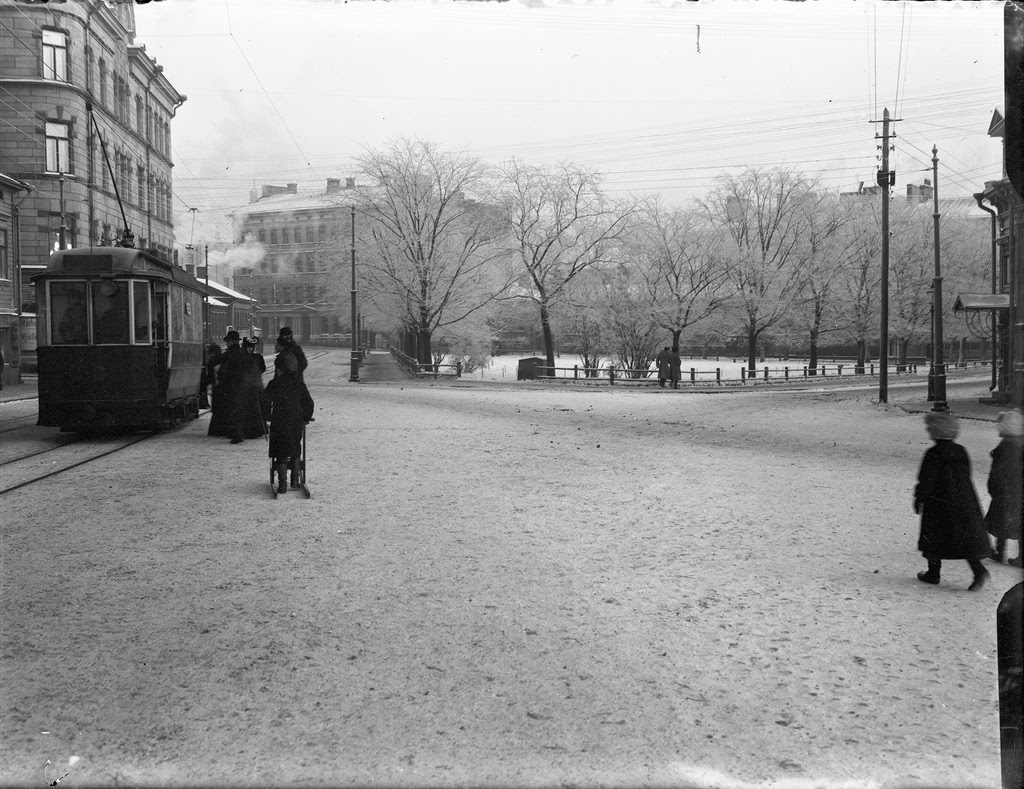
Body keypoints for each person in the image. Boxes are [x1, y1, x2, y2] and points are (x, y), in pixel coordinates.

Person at [913, 411, 991, 591]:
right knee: (964, 541)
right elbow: (966, 476)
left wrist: (919, 498)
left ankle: (933, 573)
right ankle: (978, 570)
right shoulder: (961, 451)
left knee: (933, 537)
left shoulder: (933, 453)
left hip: (938, 503)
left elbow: (926, 479)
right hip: (963, 501)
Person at [261, 351, 314, 494]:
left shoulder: (274, 383)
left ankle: (282, 484)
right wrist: (306, 417)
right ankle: (295, 481)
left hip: (279, 420)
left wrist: (266, 415)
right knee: (295, 449)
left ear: (280, 369)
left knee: (281, 451)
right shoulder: (299, 384)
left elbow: (265, 401)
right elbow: (309, 403)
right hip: (296, 420)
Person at [984, 410, 1024, 565]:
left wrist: (993, 488)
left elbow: (998, 472)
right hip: (1017, 492)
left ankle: (999, 551)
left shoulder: (1005, 447)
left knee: (1002, 522)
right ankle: (1020, 556)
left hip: (1005, 492)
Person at [208, 330, 251, 444]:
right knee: (240, 410)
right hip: (244, 385)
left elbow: (215, 362)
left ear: (231, 342)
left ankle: (236, 434)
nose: (227, 344)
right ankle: (240, 433)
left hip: (231, 386)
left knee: (232, 410)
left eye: (227, 342)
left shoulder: (229, 353)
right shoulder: (244, 352)